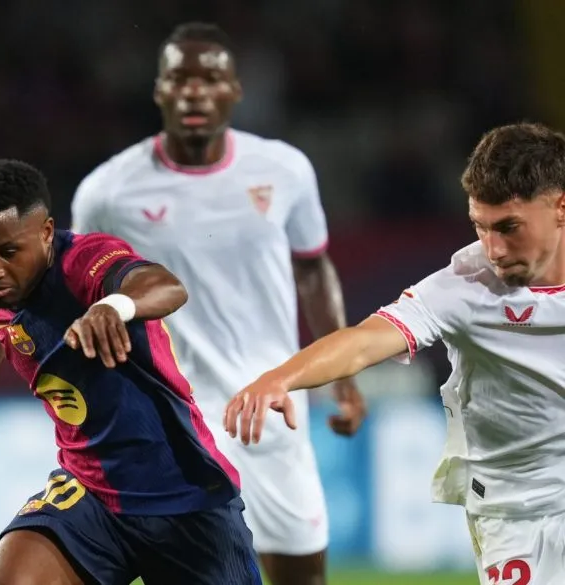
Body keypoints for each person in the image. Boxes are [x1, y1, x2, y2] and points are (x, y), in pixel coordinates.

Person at [70, 21, 364, 585]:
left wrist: (343, 379)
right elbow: (80, 297)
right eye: (179, 79)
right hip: (172, 422)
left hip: (272, 407)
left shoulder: (284, 170)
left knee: (303, 577)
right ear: (159, 91)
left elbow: (312, 268)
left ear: (235, 90)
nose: (194, 93)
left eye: (209, 80)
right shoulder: (107, 192)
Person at [225, 122, 565, 584]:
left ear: (559, 206)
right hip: (515, 515)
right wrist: (280, 378)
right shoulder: (464, 288)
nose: (494, 249)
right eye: (480, 227)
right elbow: (364, 341)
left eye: (509, 228)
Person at [0, 159, 261, 585]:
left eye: (8, 252)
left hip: (184, 493)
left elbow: (166, 286)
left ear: (46, 232)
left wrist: (112, 306)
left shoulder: (84, 262)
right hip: (90, 494)